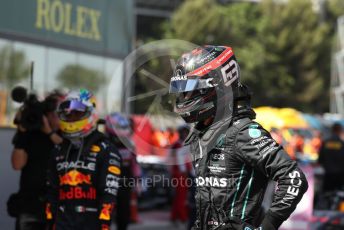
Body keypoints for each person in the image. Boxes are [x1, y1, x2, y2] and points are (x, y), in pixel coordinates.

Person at [169, 45, 308, 230]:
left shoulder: (242, 133)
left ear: (216, 85)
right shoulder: (202, 135)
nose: (183, 97)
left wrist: (268, 225)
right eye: (181, 90)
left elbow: (294, 178)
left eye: (189, 89)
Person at [46, 89, 122, 230]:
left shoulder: (106, 149)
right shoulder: (57, 150)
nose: (72, 118)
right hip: (63, 224)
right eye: (68, 114)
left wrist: (104, 225)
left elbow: (109, 194)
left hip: (92, 224)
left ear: (91, 114)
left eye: (77, 113)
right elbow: (52, 192)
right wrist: (50, 222)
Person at [10, 92, 63, 230]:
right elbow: (17, 164)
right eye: (51, 114)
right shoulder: (31, 134)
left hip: (60, 208)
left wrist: (50, 133)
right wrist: (22, 132)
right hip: (31, 206)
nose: (54, 117)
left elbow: (71, 154)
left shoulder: (68, 136)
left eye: (57, 114)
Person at [105, 112, 140, 230]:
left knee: (124, 210)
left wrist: (138, 179)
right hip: (107, 179)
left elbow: (134, 163)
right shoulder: (105, 143)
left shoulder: (130, 144)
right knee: (106, 209)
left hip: (125, 179)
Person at [170, 125, 192, 225]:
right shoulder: (178, 145)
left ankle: (175, 216)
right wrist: (186, 172)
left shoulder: (181, 144)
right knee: (181, 197)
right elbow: (180, 161)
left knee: (179, 196)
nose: (185, 134)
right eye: (183, 132)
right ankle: (182, 217)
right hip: (180, 174)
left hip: (181, 173)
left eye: (186, 132)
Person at [318, 122, 344, 192]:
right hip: (340, 175)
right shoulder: (342, 143)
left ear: (332, 130)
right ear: (340, 131)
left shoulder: (326, 142)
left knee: (327, 194)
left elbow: (320, 159)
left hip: (328, 174)